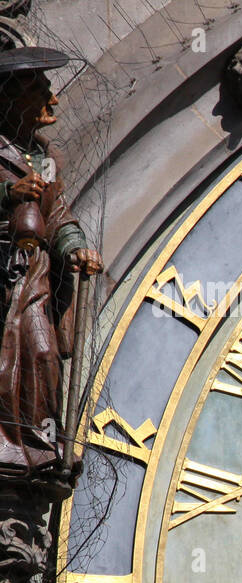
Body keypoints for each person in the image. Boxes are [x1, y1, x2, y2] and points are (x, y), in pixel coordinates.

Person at [0, 45, 102, 490]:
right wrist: (8, 196)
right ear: (11, 100)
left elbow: (58, 214)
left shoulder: (42, 158)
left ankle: (38, 443)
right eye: (41, 90)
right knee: (8, 359)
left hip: (33, 274)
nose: (53, 100)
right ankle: (9, 444)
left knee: (41, 353)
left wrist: (75, 247)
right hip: (4, 271)